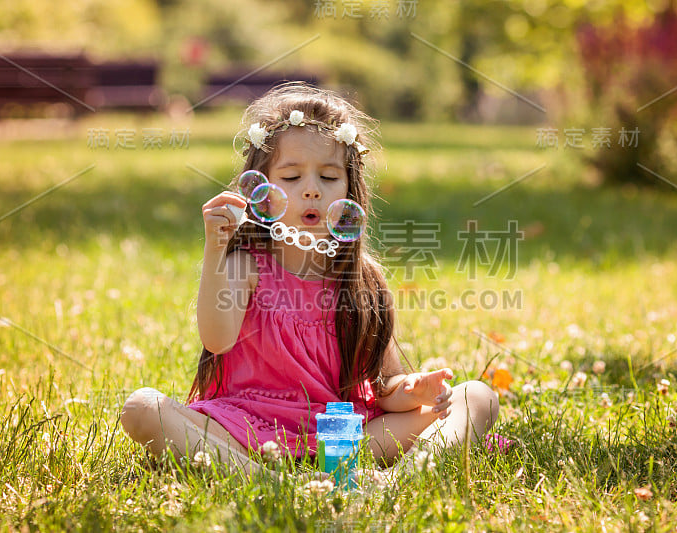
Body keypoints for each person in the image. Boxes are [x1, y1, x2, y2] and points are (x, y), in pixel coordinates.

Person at [120, 82, 499, 481]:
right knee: (143, 408)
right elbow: (216, 340)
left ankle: (394, 482)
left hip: (344, 437)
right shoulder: (245, 266)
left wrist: (414, 389)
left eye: (330, 177)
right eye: (292, 176)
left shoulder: (361, 278)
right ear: (260, 190)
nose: (312, 190)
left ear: (352, 188)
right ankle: (272, 483)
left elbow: (384, 386)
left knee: (477, 396)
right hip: (248, 432)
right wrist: (215, 249)